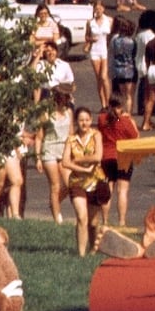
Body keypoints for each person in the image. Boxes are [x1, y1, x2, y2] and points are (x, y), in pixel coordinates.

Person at [61, 106, 110, 255]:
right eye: (81, 120)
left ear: (91, 120)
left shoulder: (96, 135)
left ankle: (93, 249)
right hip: (77, 182)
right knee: (82, 217)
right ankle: (81, 254)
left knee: (93, 222)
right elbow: (65, 162)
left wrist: (79, 159)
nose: (84, 123)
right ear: (76, 122)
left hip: (95, 182)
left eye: (87, 120)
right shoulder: (71, 139)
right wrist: (83, 169)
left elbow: (97, 156)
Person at [97, 97, 139, 229]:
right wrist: (130, 119)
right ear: (120, 106)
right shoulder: (125, 121)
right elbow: (136, 136)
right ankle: (122, 222)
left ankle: (105, 221)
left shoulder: (102, 118)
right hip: (123, 157)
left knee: (108, 189)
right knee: (122, 191)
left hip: (107, 157)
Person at [36, 86, 73, 226]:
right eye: (65, 96)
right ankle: (58, 218)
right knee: (55, 185)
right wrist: (38, 157)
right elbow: (39, 137)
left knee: (70, 183)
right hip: (49, 149)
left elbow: (71, 134)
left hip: (64, 149)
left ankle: (54, 202)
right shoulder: (46, 113)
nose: (68, 99)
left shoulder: (69, 112)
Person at [84, 0, 113, 109]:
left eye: (100, 8)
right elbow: (86, 37)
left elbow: (111, 36)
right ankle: (103, 104)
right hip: (94, 51)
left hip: (104, 50)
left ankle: (109, 102)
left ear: (103, 9)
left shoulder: (109, 20)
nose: (98, 10)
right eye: (96, 9)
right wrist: (91, 39)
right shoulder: (90, 22)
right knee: (99, 79)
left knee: (104, 77)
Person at [109, 15, 138, 113]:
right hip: (129, 70)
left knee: (122, 94)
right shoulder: (132, 42)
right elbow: (134, 55)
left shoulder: (116, 41)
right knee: (129, 96)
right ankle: (128, 115)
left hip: (118, 69)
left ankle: (122, 113)